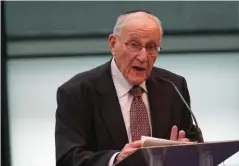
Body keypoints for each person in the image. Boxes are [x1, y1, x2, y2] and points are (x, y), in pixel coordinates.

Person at [55, 10, 203, 166]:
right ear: (113, 44)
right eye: (134, 45)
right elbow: (68, 159)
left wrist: (185, 151)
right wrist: (116, 160)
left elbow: (194, 143)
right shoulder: (77, 92)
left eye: (151, 47)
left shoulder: (173, 86)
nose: (143, 57)